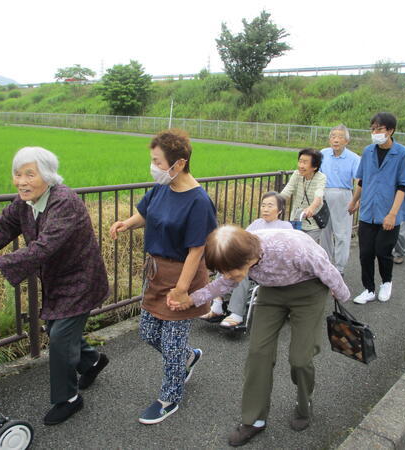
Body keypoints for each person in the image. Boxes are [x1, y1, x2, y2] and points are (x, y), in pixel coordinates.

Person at [0, 147, 110, 426]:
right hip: (56, 279)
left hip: (80, 279)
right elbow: (1, 226)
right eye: (17, 173)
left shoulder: (64, 202)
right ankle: (92, 361)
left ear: (47, 176)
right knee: (55, 327)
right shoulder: (26, 201)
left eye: (29, 174)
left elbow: (44, 246)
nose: (21, 181)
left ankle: (68, 399)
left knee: (60, 336)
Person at [166, 225, 349, 446]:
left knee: (300, 358)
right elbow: (222, 284)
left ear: (250, 257)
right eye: (223, 270)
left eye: (230, 270)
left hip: (308, 291)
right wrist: (191, 299)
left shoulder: (293, 249)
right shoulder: (237, 259)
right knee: (258, 354)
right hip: (270, 293)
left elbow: (328, 271)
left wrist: (343, 299)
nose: (227, 276)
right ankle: (254, 419)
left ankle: (304, 404)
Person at [109, 129, 217, 425]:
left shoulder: (198, 200)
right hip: (155, 273)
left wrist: (182, 290)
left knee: (170, 344)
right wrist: (126, 224)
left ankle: (170, 397)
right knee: (147, 332)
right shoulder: (162, 187)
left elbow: (197, 250)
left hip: (183, 275)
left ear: (179, 163)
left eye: (158, 161)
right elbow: (147, 214)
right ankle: (189, 355)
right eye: (153, 161)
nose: (154, 166)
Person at [200, 191, 292, 328]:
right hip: (251, 261)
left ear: (279, 210)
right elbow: (242, 241)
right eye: (263, 205)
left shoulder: (285, 227)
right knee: (228, 262)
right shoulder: (256, 223)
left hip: (269, 266)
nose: (265, 209)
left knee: (242, 268)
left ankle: (237, 314)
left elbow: (285, 252)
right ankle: (217, 305)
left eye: (270, 206)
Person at [348, 112, 405, 304]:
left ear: (390, 130)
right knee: (365, 252)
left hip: (389, 212)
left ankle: (386, 282)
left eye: (380, 129)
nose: (375, 132)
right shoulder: (368, 151)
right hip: (368, 211)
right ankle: (368, 289)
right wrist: (353, 201)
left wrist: (392, 214)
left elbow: (402, 186)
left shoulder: (403, 154)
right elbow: (362, 180)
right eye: (373, 129)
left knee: (383, 251)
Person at [319, 125, 360, 275]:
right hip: (323, 195)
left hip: (344, 195)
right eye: (333, 136)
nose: (336, 140)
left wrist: (356, 200)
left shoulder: (354, 158)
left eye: (340, 137)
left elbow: (359, 180)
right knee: (324, 231)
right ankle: (325, 264)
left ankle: (339, 267)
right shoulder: (323, 154)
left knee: (342, 233)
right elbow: (317, 176)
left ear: (346, 141)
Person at [280, 148, 330, 254]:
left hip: (313, 222)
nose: (301, 166)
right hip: (296, 220)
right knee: (295, 250)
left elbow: (319, 194)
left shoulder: (321, 177)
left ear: (315, 166)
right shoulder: (296, 174)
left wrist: (311, 208)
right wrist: (274, 201)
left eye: (305, 162)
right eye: (300, 161)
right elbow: (287, 191)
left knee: (307, 251)